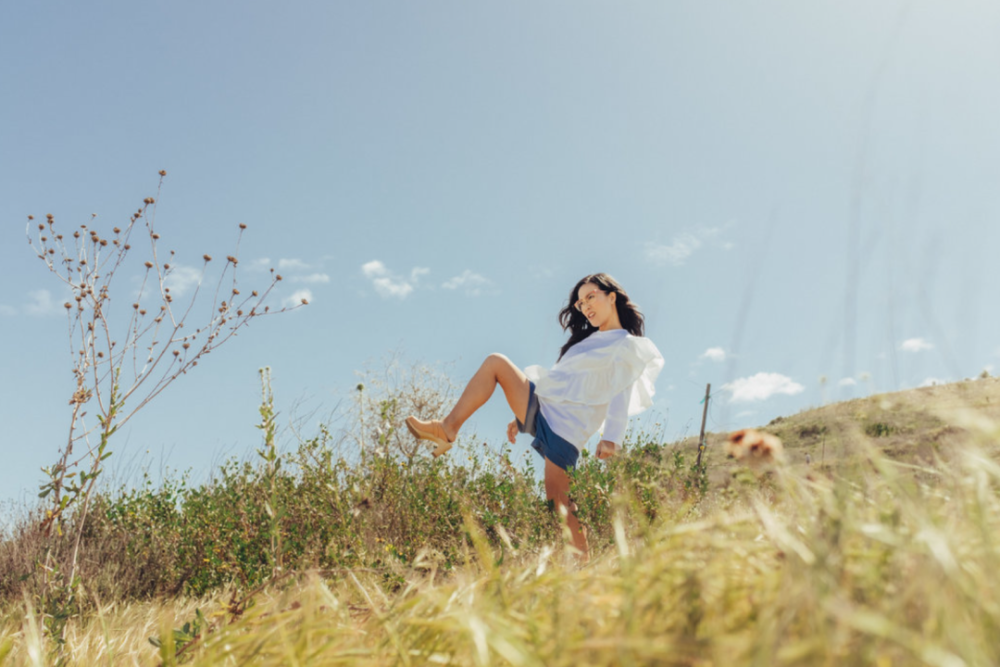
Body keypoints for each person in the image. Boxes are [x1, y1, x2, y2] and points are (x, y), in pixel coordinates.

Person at [405, 273, 664, 560]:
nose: (585, 306)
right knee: (496, 363)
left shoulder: (625, 345)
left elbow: (620, 392)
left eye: (590, 297)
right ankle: (446, 428)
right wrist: (521, 419)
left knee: (560, 505)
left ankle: (582, 570)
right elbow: (562, 386)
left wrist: (611, 439)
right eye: (580, 303)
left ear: (611, 296)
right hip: (545, 412)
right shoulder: (586, 342)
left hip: (566, 433)